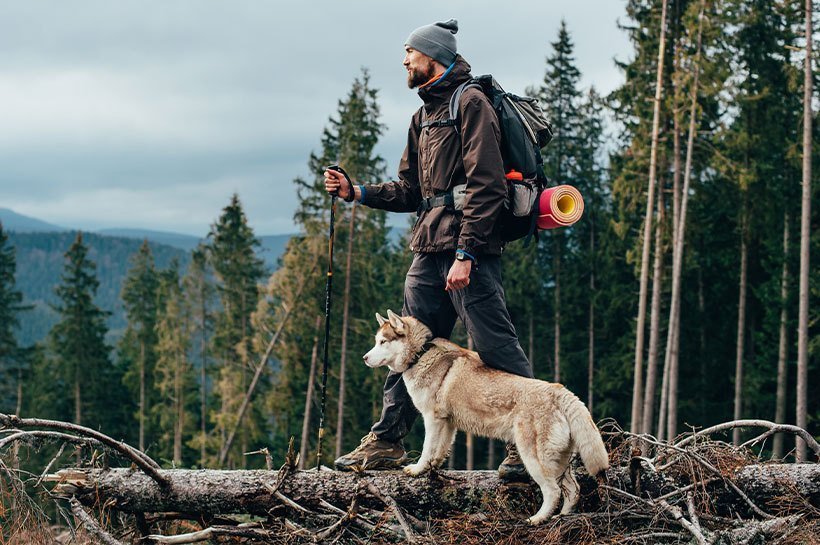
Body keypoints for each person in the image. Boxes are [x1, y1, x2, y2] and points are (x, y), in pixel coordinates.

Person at [324, 19, 533, 480]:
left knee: (495, 346)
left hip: (467, 251)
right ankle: (386, 442)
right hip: (427, 248)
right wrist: (354, 191)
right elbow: (409, 190)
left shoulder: (471, 103)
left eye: (410, 52)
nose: (404, 60)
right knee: (407, 350)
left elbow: (488, 186)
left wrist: (468, 254)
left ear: (433, 56)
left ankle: (526, 440)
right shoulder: (423, 116)